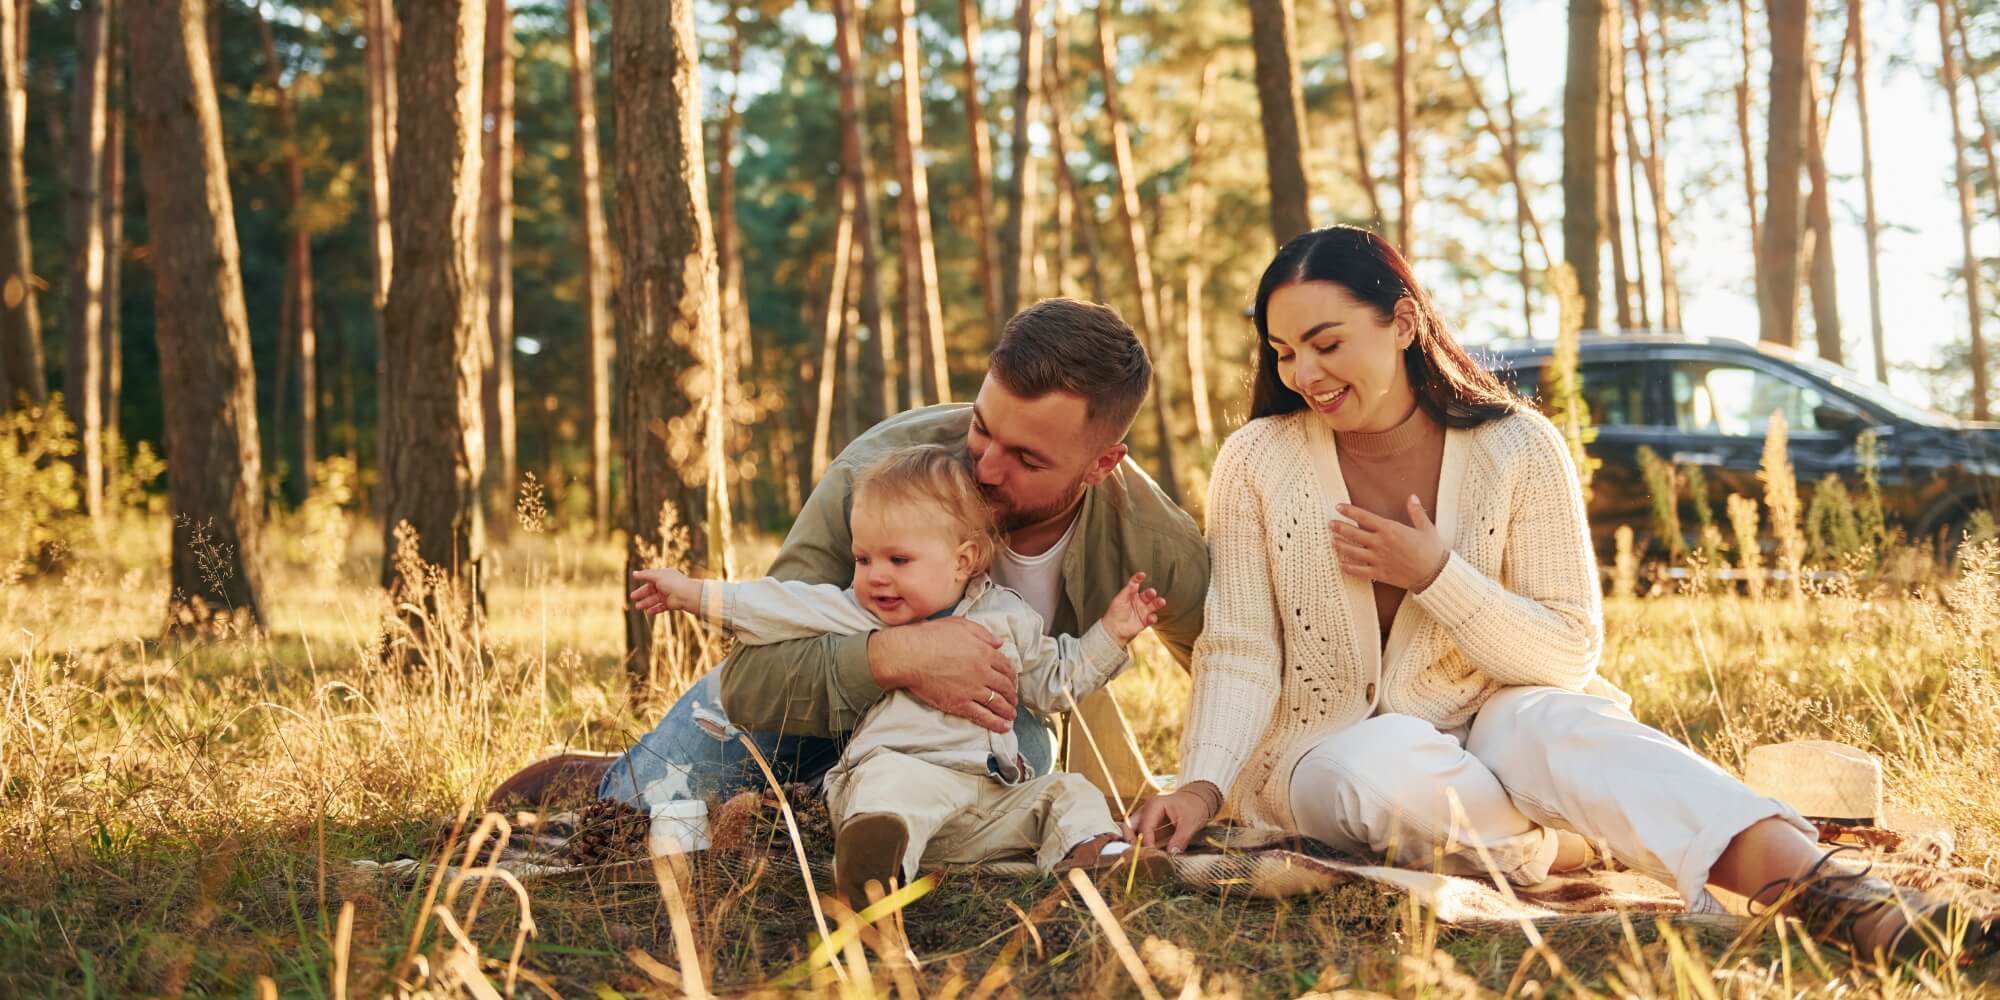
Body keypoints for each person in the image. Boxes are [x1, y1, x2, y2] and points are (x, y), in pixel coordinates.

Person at [1124, 225, 1995, 960]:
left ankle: (1848, 904)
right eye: (1283, 352)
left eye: (1326, 343)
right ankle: (1570, 839)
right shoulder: (1260, 460)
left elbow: (1568, 652)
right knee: (1381, 763)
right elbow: (1240, 646)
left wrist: (1436, 575)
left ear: (1401, 321)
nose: (1305, 373)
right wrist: (1202, 787)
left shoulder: (1518, 448)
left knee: (1574, 730)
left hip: (1498, 719)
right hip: (1324, 752)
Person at [489, 298, 1209, 819]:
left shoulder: (1149, 538)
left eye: (1026, 458)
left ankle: (809, 816)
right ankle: (608, 775)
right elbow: (754, 679)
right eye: (984, 429)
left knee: (1025, 749)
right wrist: (900, 656)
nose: (986, 468)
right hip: (824, 707)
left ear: (1101, 463)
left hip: (971, 737)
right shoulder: (880, 471)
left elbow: (1243, 661)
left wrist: (1210, 786)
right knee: (637, 809)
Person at [628, 444, 1168, 904]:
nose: (875, 577)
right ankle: (874, 873)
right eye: (864, 560)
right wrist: (693, 594)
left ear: (963, 560)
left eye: (898, 561)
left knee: (1069, 791)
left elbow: (1056, 684)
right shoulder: (859, 613)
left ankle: (1100, 859)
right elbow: (778, 604)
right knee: (891, 783)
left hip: (987, 801)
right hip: (900, 790)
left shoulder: (1008, 618)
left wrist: (1112, 633)